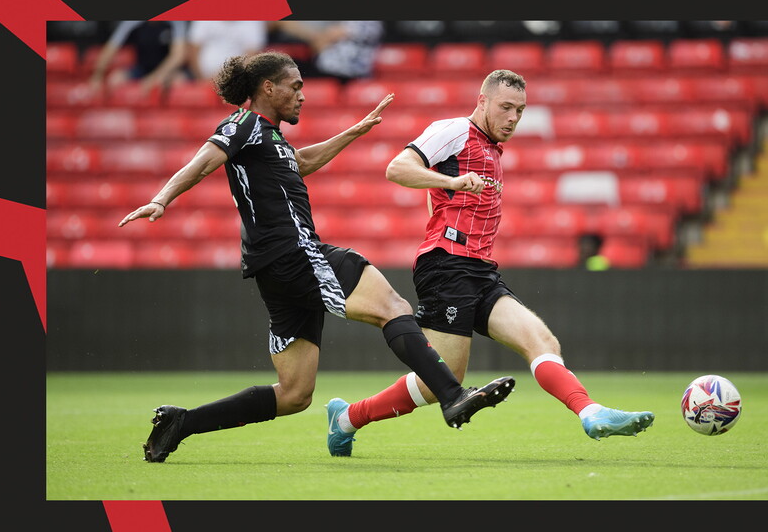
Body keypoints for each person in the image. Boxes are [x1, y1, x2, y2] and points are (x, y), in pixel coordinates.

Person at [118, 52, 515, 463]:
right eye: (295, 86)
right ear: (268, 88)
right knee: (391, 307)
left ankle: (181, 423)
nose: (302, 95)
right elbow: (202, 164)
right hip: (295, 253)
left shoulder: (269, 137)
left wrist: (353, 132)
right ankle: (452, 395)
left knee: (294, 394)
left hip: (274, 270)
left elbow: (300, 161)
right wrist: (160, 199)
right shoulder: (243, 124)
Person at [325, 70, 654, 457]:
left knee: (542, 341)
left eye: (520, 110)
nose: (513, 117)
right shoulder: (453, 130)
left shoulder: (492, 149)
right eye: (505, 107)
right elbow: (396, 168)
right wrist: (451, 183)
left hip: (481, 270)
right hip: (445, 265)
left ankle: (590, 412)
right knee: (441, 382)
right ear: (482, 101)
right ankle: (346, 419)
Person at [87, 20, 189, 94]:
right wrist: (97, 75)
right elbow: (111, 48)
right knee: (114, 79)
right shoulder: (133, 22)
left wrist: (154, 78)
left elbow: (178, 56)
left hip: (166, 71)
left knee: (179, 81)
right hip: (141, 69)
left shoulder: (176, 21)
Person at [270, 20, 384, 83]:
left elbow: (324, 40)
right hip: (326, 69)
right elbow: (319, 43)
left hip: (349, 74)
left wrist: (320, 40)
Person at [186, 21, 269, 80]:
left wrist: (227, 79)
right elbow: (193, 50)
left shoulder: (253, 22)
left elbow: (251, 57)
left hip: (235, 81)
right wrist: (201, 79)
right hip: (201, 78)